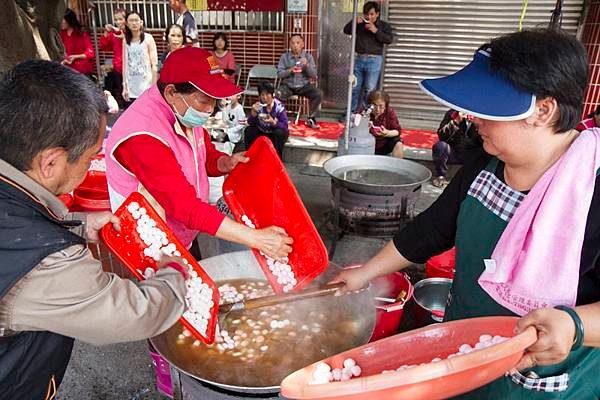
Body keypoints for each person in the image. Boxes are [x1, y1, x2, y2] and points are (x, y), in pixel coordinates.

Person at [333, 29, 600, 399]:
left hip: (544, 379)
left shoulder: (591, 189)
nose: (473, 118)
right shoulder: (486, 163)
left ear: (543, 110)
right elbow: (431, 230)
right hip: (466, 353)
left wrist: (576, 324)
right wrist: (364, 273)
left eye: (489, 111)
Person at [0, 60, 187, 399]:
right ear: (50, 162)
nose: (90, 167)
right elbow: (134, 315)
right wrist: (174, 268)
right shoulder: (46, 263)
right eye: (89, 158)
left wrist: (77, 223)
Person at [106, 47, 292, 262]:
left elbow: (202, 153)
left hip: (181, 234)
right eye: (204, 100)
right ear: (172, 92)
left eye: (214, 100)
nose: (210, 109)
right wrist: (259, 239)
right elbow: (185, 207)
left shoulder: (182, 110)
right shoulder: (143, 136)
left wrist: (224, 162)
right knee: (169, 293)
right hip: (148, 246)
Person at [343, 1, 393, 113]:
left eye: (371, 14)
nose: (368, 17)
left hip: (374, 60)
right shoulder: (359, 24)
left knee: (369, 89)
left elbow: (389, 40)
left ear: (377, 14)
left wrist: (376, 31)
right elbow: (346, 31)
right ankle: (350, 113)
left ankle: (366, 115)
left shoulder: (384, 26)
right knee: (354, 88)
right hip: (358, 59)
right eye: (366, 14)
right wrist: (353, 22)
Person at [276, 34, 323, 130]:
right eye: (292, 43)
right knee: (278, 94)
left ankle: (311, 118)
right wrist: (290, 70)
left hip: (304, 86)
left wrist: (306, 66)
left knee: (318, 93)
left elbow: (314, 75)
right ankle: (279, 117)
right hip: (288, 86)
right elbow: (279, 74)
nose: (295, 45)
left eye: (298, 43)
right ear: (289, 45)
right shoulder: (284, 57)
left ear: (302, 44)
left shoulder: (308, 57)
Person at [432, 109, 480, 188]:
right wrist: (456, 121)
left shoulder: (480, 114)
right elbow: (442, 136)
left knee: (483, 151)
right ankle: (441, 176)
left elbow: (483, 140)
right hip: (454, 151)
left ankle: (473, 178)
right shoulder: (452, 113)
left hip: (471, 153)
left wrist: (476, 125)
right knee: (440, 146)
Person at [245, 81, 289, 159]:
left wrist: (274, 122)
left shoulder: (279, 107)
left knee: (279, 133)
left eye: (267, 94)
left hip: (274, 134)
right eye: (262, 94)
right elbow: (250, 123)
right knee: (248, 130)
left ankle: (277, 159)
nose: (265, 97)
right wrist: (253, 114)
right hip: (262, 131)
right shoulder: (258, 106)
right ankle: (250, 157)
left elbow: (285, 126)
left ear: (273, 95)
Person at [122, 11, 158, 105]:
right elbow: (125, 65)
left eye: (136, 20)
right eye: (131, 21)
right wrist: (125, 86)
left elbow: (154, 63)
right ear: (127, 23)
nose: (134, 23)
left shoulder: (148, 38)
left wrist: (153, 86)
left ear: (141, 22)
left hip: (146, 85)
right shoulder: (125, 40)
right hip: (132, 87)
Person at [99, 8, 127, 107]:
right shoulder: (114, 34)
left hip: (130, 68)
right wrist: (106, 32)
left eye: (121, 19)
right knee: (120, 92)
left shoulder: (131, 33)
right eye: (116, 20)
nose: (118, 22)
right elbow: (103, 46)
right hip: (118, 68)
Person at [366, 90, 403, 158]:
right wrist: (364, 124)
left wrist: (387, 133)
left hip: (384, 145)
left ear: (386, 105)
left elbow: (397, 131)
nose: (377, 110)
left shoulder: (390, 112)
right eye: (374, 105)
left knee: (398, 143)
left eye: (381, 106)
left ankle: (397, 165)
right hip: (366, 146)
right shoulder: (364, 112)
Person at [60, 9, 95, 79]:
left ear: (69, 20)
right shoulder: (62, 34)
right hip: (69, 71)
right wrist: (64, 60)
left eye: (63, 21)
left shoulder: (82, 33)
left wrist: (76, 56)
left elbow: (90, 53)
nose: (61, 23)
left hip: (83, 71)